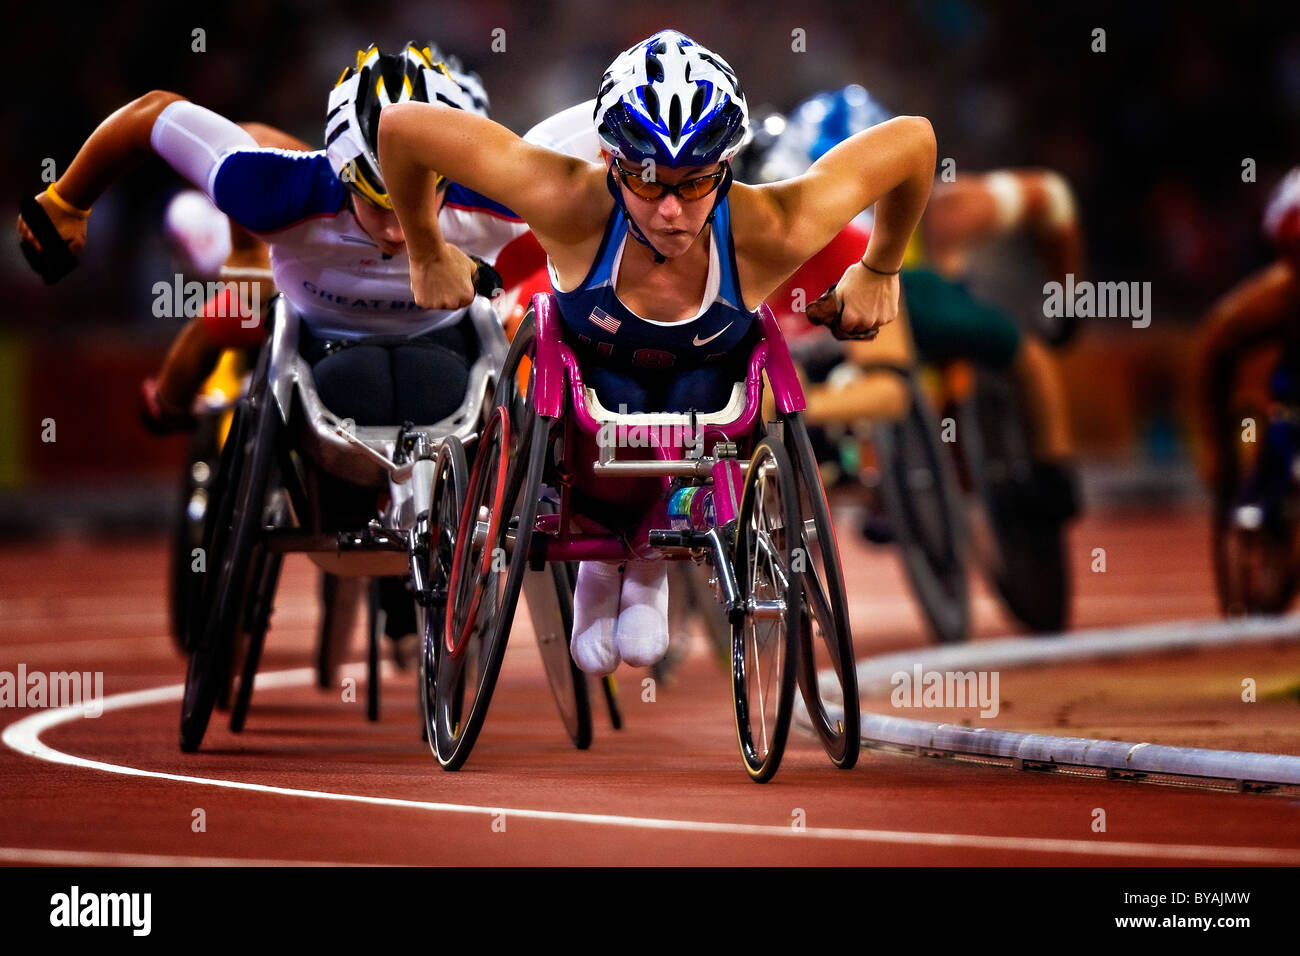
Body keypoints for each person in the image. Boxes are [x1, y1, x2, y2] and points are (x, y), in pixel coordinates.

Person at [379, 30, 936, 674]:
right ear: (611, 161)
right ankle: (602, 564)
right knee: (613, 402)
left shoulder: (772, 224)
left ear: (726, 165)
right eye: (647, 182)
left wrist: (880, 268)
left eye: (695, 183)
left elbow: (916, 140)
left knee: (696, 394)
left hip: (701, 406)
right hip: (587, 403)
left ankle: (644, 567)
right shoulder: (566, 196)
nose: (671, 210)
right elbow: (400, 126)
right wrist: (425, 250)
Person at [17, 41, 534, 655]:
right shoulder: (278, 186)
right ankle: (172, 399)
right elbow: (153, 116)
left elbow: (593, 202)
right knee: (235, 312)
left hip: (440, 347)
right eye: (376, 203)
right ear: (340, 170)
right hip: (312, 334)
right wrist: (67, 200)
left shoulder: (499, 200)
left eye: (417, 200)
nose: (398, 230)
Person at [750, 87, 1081, 515]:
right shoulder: (797, 240)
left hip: (923, 310)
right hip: (866, 336)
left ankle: (1051, 466)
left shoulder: (949, 211)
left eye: (867, 200)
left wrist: (1067, 297)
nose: (853, 221)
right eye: (835, 203)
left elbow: (1053, 197)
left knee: (1018, 351)